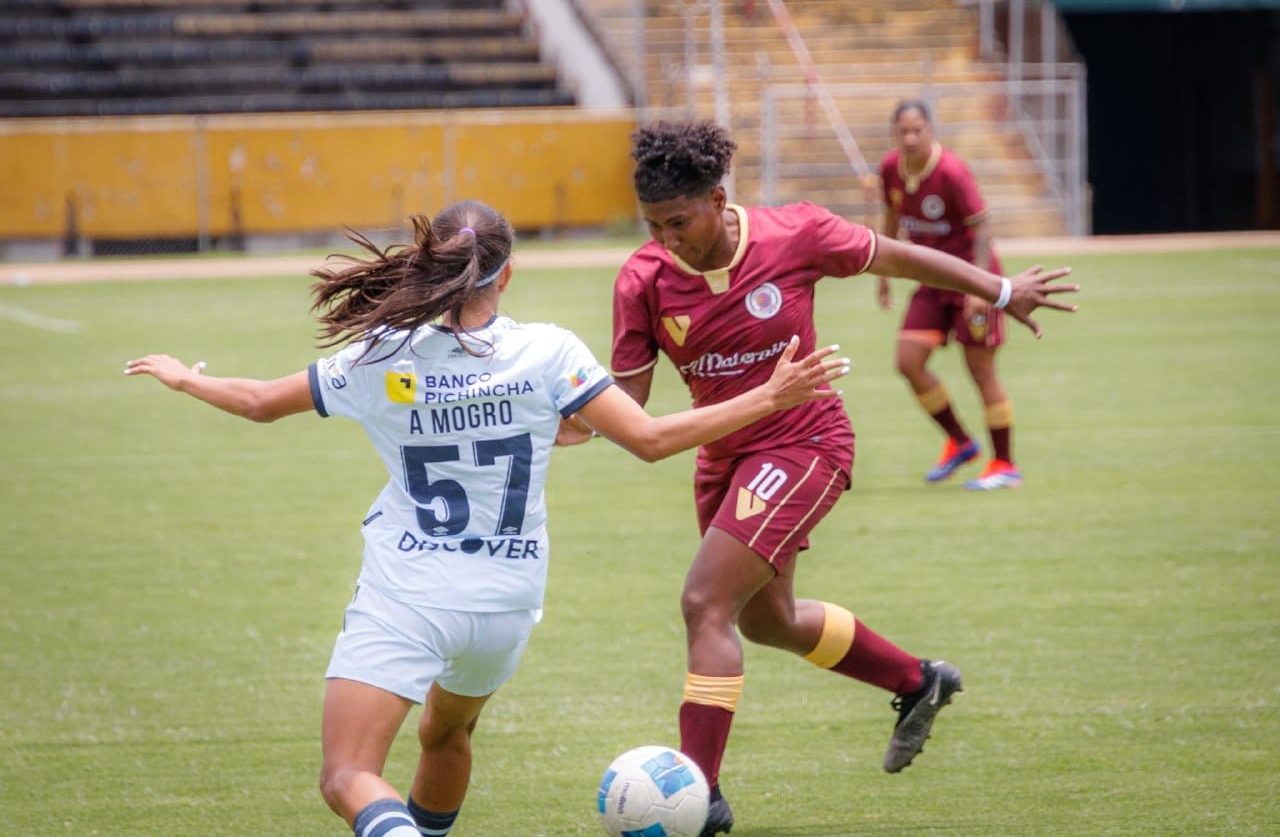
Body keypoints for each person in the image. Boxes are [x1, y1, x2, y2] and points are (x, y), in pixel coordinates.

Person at [123, 199, 851, 837]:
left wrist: (189, 378)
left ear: (429, 267)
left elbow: (257, 403)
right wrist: (768, 396)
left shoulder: (382, 355)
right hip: (506, 603)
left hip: (411, 590)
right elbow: (653, 440)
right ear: (507, 274)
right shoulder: (547, 352)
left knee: (347, 776)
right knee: (447, 733)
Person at [604, 121, 1077, 837]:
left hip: (806, 442)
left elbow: (902, 258)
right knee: (767, 620)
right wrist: (553, 411)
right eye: (654, 226)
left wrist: (1000, 288)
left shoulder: (795, 234)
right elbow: (625, 406)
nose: (669, 238)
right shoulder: (642, 279)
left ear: (717, 198)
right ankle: (918, 681)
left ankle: (699, 797)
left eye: (680, 221)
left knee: (705, 603)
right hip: (723, 458)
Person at [877, 98, 1020, 490]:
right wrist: (883, 271)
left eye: (916, 130)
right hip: (932, 280)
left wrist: (979, 286)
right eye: (902, 131)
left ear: (930, 130)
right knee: (908, 360)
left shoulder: (952, 171)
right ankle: (960, 441)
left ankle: (1005, 464)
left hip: (972, 280)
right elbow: (890, 217)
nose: (909, 138)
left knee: (980, 371)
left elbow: (982, 227)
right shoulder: (890, 168)